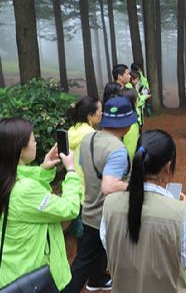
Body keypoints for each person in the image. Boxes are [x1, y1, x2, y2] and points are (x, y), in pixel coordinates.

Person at [0, 117, 80, 290]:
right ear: (19, 150)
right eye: (33, 140)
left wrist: (44, 169)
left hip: (13, 275)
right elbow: (70, 209)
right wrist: (71, 171)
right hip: (38, 280)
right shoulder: (24, 190)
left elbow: (27, 203)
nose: (35, 143)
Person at [101, 130, 186, 292]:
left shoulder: (109, 204)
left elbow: (107, 243)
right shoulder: (181, 213)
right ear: (168, 167)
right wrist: (178, 208)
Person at [62, 97, 136, 293]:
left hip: (89, 211)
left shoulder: (88, 139)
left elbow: (84, 171)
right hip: (109, 218)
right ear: (127, 124)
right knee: (126, 261)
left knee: (83, 263)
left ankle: (95, 281)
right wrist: (136, 186)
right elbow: (109, 186)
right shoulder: (118, 150)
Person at [65, 96, 111, 291]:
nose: (102, 113)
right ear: (91, 116)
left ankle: (97, 276)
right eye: (99, 110)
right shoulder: (91, 136)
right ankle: (93, 279)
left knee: (86, 241)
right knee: (91, 244)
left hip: (76, 191)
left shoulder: (72, 131)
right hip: (90, 194)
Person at [117, 87, 140, 161]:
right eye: (137, 99)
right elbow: (130, 148)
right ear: (134, 102)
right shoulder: (130, 123)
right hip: (126, 164)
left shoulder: (117, 117)